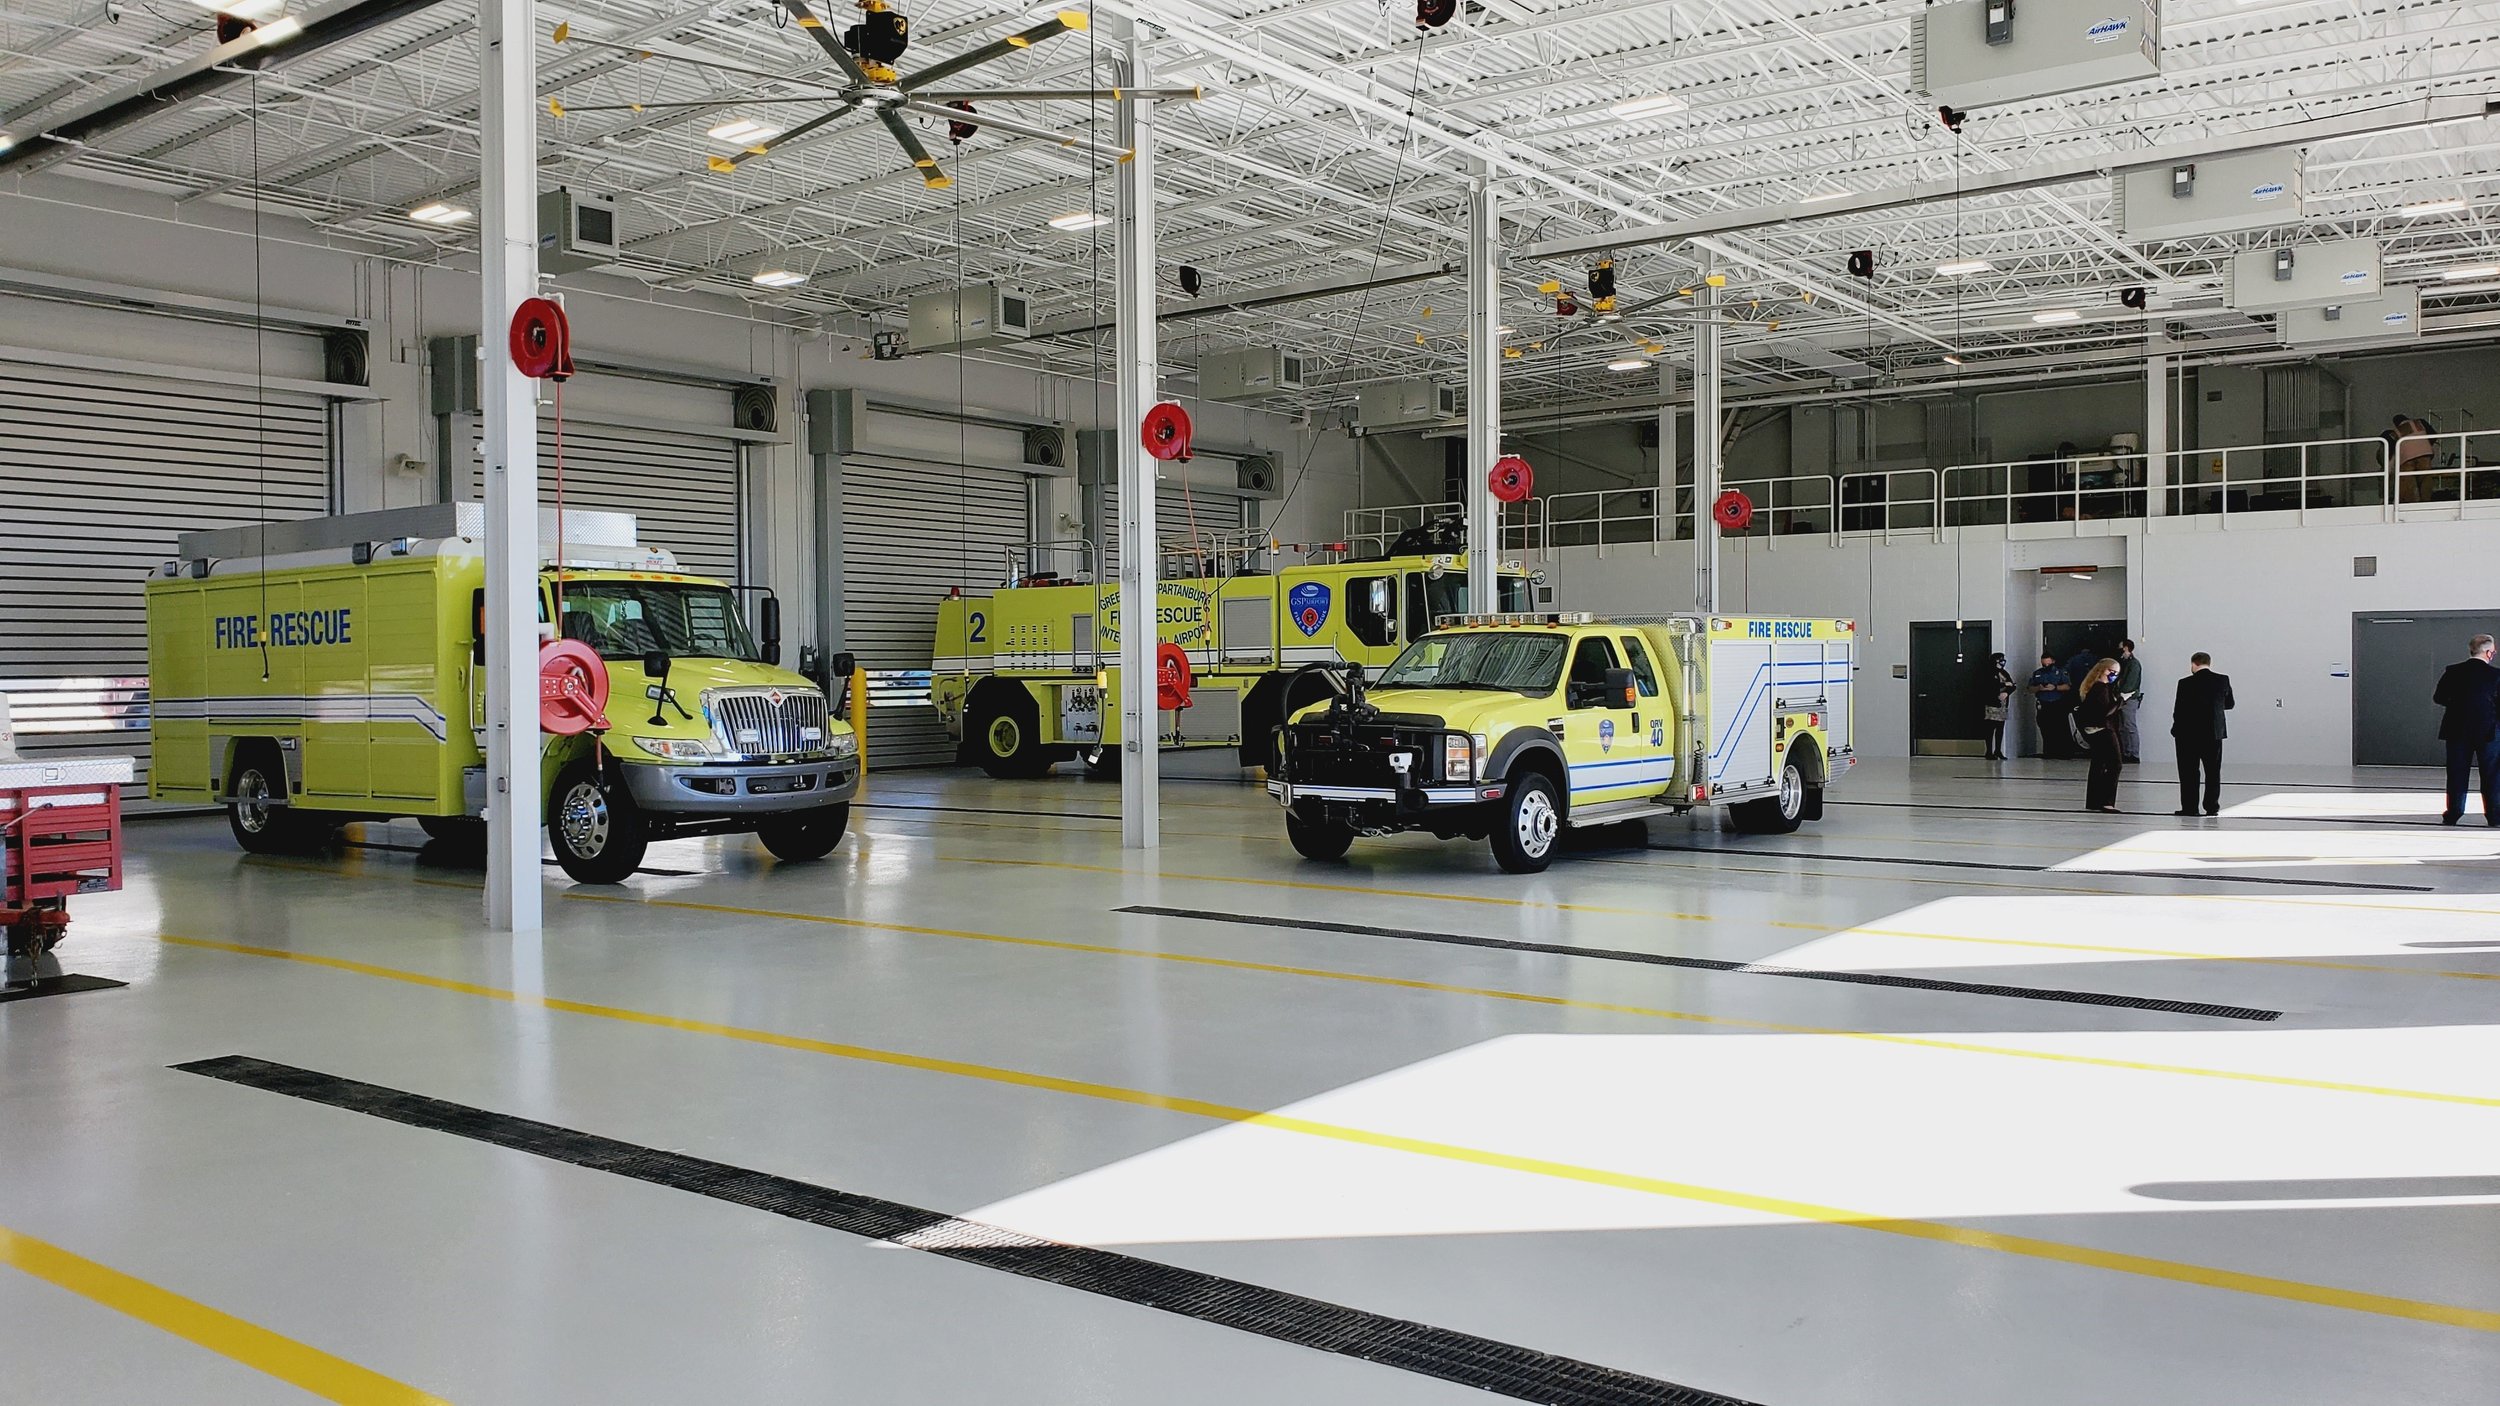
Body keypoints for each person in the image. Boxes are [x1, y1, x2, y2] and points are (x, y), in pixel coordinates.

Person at [2432, 633, 2500, 827]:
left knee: (2456, 773)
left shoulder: (2452, 671)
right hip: (2489, 732)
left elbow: (2439, 697)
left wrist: (2457, 705)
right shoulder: (2496, 675)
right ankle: (2494, 815)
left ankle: (2453, 813)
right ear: (2489, 653)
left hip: (2456, 729)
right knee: (2492, 774)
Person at [2171, 652, 2234, 817]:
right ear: (2209, 663)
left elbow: (2179, 710)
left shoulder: (2184, 683)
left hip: (2187, 735)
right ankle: (2212, 807)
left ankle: (2190, 808)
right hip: (2214, 733)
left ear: (2193, 664)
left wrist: (2175, 729)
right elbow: (2230, 704)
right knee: (2213, 772)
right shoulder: (2222, 680)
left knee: (2188, 773)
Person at [2075, 658, 2124, 812]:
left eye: (2116, 673)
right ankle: (2106, 801)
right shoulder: (2101, 688)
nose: (2113, 675)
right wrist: (2121, 701)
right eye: (2111, 671)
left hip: (2093, 731)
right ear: (2102, 670)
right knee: (2115, 764)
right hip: (2104, 730)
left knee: (2098, 764)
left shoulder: (2092, 687)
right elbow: (2105, 712)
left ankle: (2093, 801)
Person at [2029, 653, 2073, 759]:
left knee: (2060, 728)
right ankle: (2048, 752)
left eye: (2048, 663)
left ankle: (2063, 753)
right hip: (2043, 704)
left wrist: (2055, 687)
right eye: (2043, 663)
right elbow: (2030, 688)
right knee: (2045, 728)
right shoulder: (2037, 673)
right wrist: (2039, 688)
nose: (2045, 666)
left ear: (2053, 661)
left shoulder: (2061, 672)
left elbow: (2068, 686)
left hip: (2057, 703)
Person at [2113, 638, 2145, 763]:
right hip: (2121, 699)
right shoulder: (2123, 663)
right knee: (2122, 728)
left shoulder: (2134, 664)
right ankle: (2126, 752)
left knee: (2130, 726)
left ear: (2126, 648)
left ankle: (2134, 754)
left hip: (2129, 699)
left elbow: (2130, 684)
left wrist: (2120, 695)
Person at [1984, 652, 2016, 760]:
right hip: (1992, 703)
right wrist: (2003, 685)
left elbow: (2013, 685)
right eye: (2000, 660)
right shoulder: (1988, 672)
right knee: (1990, 728)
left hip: (2003, 705)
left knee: (2000, 728)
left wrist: (2007, 692)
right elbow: (1989, 686)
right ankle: (1989, 751)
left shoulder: (2004, 673)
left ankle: (1998, 750)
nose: (2002, 662)